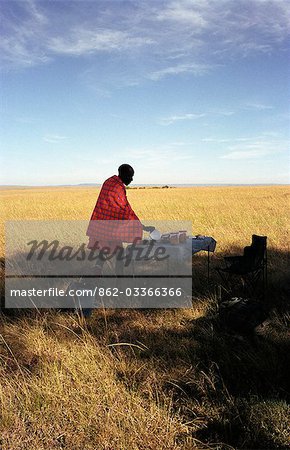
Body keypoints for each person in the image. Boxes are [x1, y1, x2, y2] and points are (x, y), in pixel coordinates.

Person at [76, 164, 154, 316]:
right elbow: (124, 210)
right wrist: (140, 226)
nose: (131, 179)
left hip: (104, 229)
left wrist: (141, 226)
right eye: (130, 176)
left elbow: (119, 209)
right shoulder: (117, 187)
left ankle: (96, 288)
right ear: (122, 174)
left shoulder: (109, 182)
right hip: (109, 231)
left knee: (104, 259)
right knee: (112, 259)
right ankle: (98, 291)